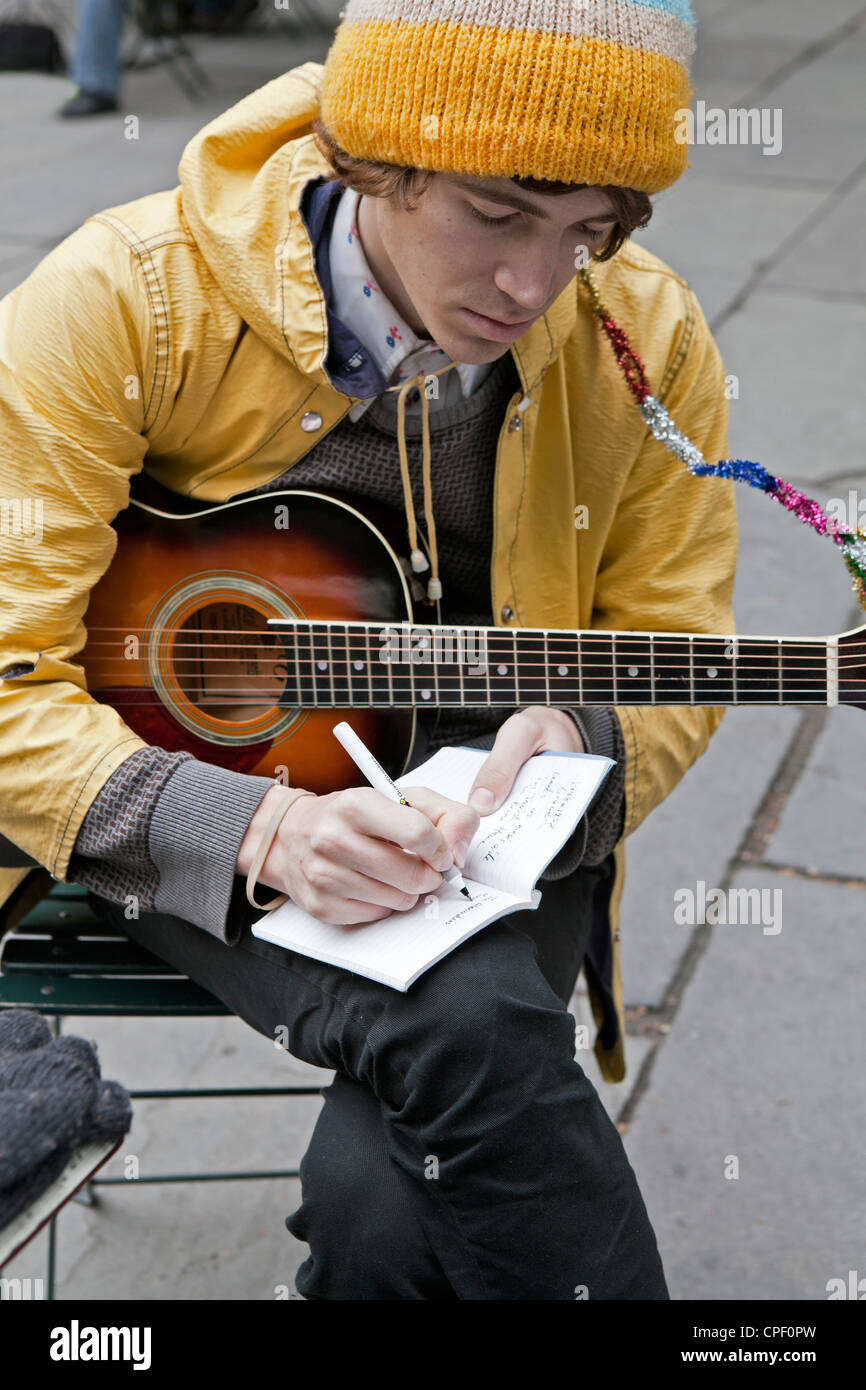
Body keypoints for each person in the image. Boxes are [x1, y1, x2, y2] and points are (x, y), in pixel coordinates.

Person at [0, 0, 739, 1298]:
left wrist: (568, 736)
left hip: (504, 803)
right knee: (468, 1014)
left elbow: (679, 637)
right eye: (500, 212)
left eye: (589, 231)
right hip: (187, 788)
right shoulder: (123, 297)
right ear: (368, 158)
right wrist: (255, 831)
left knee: (384, 1216)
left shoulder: (647, 335)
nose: (534, 282)